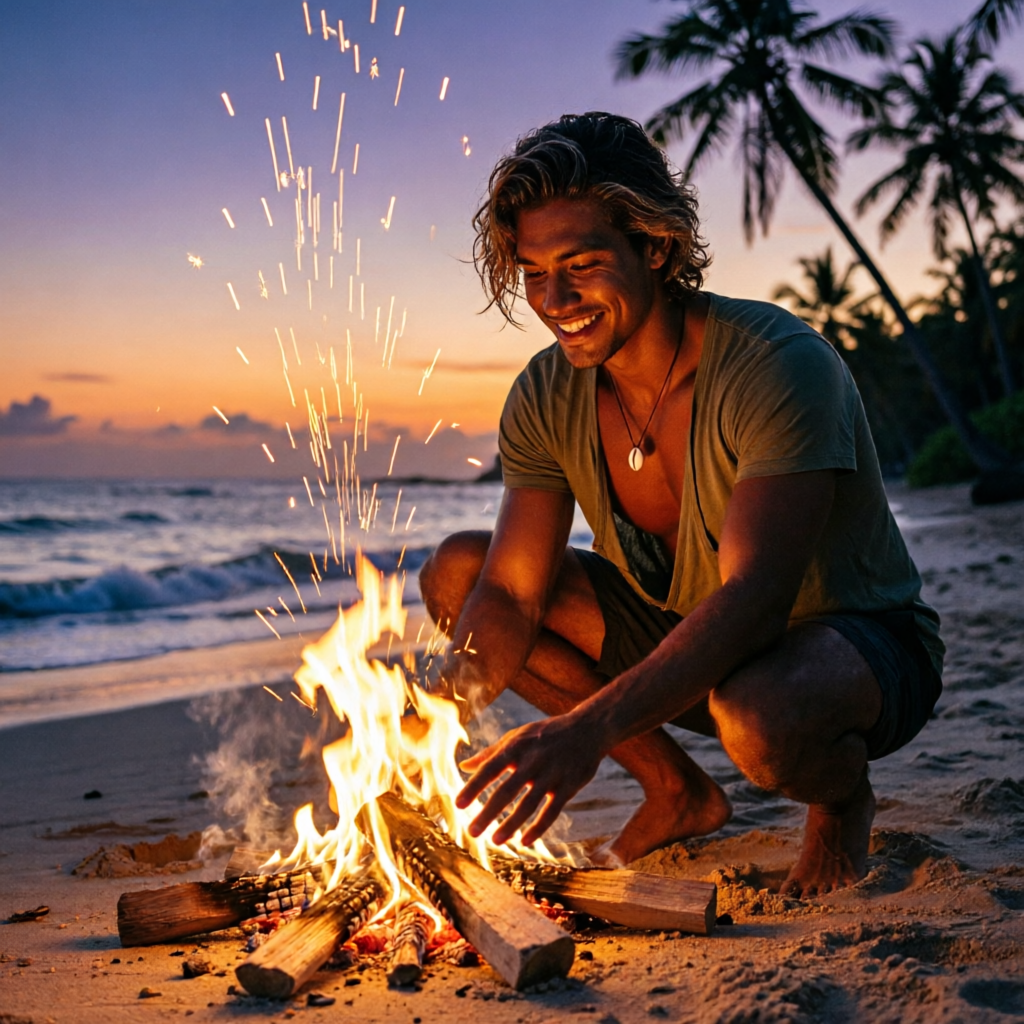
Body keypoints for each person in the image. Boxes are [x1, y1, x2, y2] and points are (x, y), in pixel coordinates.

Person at [418, 112, 944, 896]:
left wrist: (586, 731)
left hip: (852, 650)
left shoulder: (776, 365)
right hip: (688, 643)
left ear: (656, 247)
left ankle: (841, 804)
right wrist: (433, 715)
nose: (554, 298)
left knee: (758, 718)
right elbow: (508, 592)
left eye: (581, 263)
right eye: (532, 272)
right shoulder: (545, 392)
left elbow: (757, 601)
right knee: (461, 572)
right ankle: (678, 792)